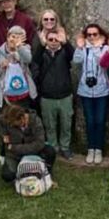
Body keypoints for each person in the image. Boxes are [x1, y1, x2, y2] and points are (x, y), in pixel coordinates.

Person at [31, 16, 76, 160]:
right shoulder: (42, 54)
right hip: (47, 96)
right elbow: (35, 60)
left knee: (66, 124)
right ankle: (52, 147)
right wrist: (42, 44)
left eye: (56, 39)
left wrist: (65, 41)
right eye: (50, 39)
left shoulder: (64, 53)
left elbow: (73, 55)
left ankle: (65, 147)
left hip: (65, 95)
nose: (53, 42)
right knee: (49, 125)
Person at [73, 23, 109, 165]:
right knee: (90, 121)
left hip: (102, 89)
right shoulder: (84, 49)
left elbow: (103, 63)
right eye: (89, 35)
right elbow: (76, 60)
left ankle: (99, 149)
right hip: (86, 90)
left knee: (100, 121)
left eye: (95, 34)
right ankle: (91, 149)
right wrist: (79, 46)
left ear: (100, 35)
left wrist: (96, 48)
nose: (92, 37)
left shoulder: (105, 48)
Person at [0, 25, 37, 119]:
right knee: (6, 123)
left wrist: (19, 48)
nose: (14, 40)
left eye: (18, 37)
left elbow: (28, 59)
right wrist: (0, 67)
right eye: (13, 37)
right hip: (4, 97)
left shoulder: (25, 49)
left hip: (23, 95)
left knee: (23, 121)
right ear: (7, 37)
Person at [0, 103, 57, 183]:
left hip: (31, 150)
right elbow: (0, 120)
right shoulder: (7, 119)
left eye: (14, 123)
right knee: (7, 175)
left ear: (22, 118)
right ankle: (19, 174)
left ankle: (47, 173)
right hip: (14, 155)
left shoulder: (36, 121)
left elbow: (39, 144)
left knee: (50, 151)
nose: (11, 125)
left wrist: (14, 148)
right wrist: (4, 134)